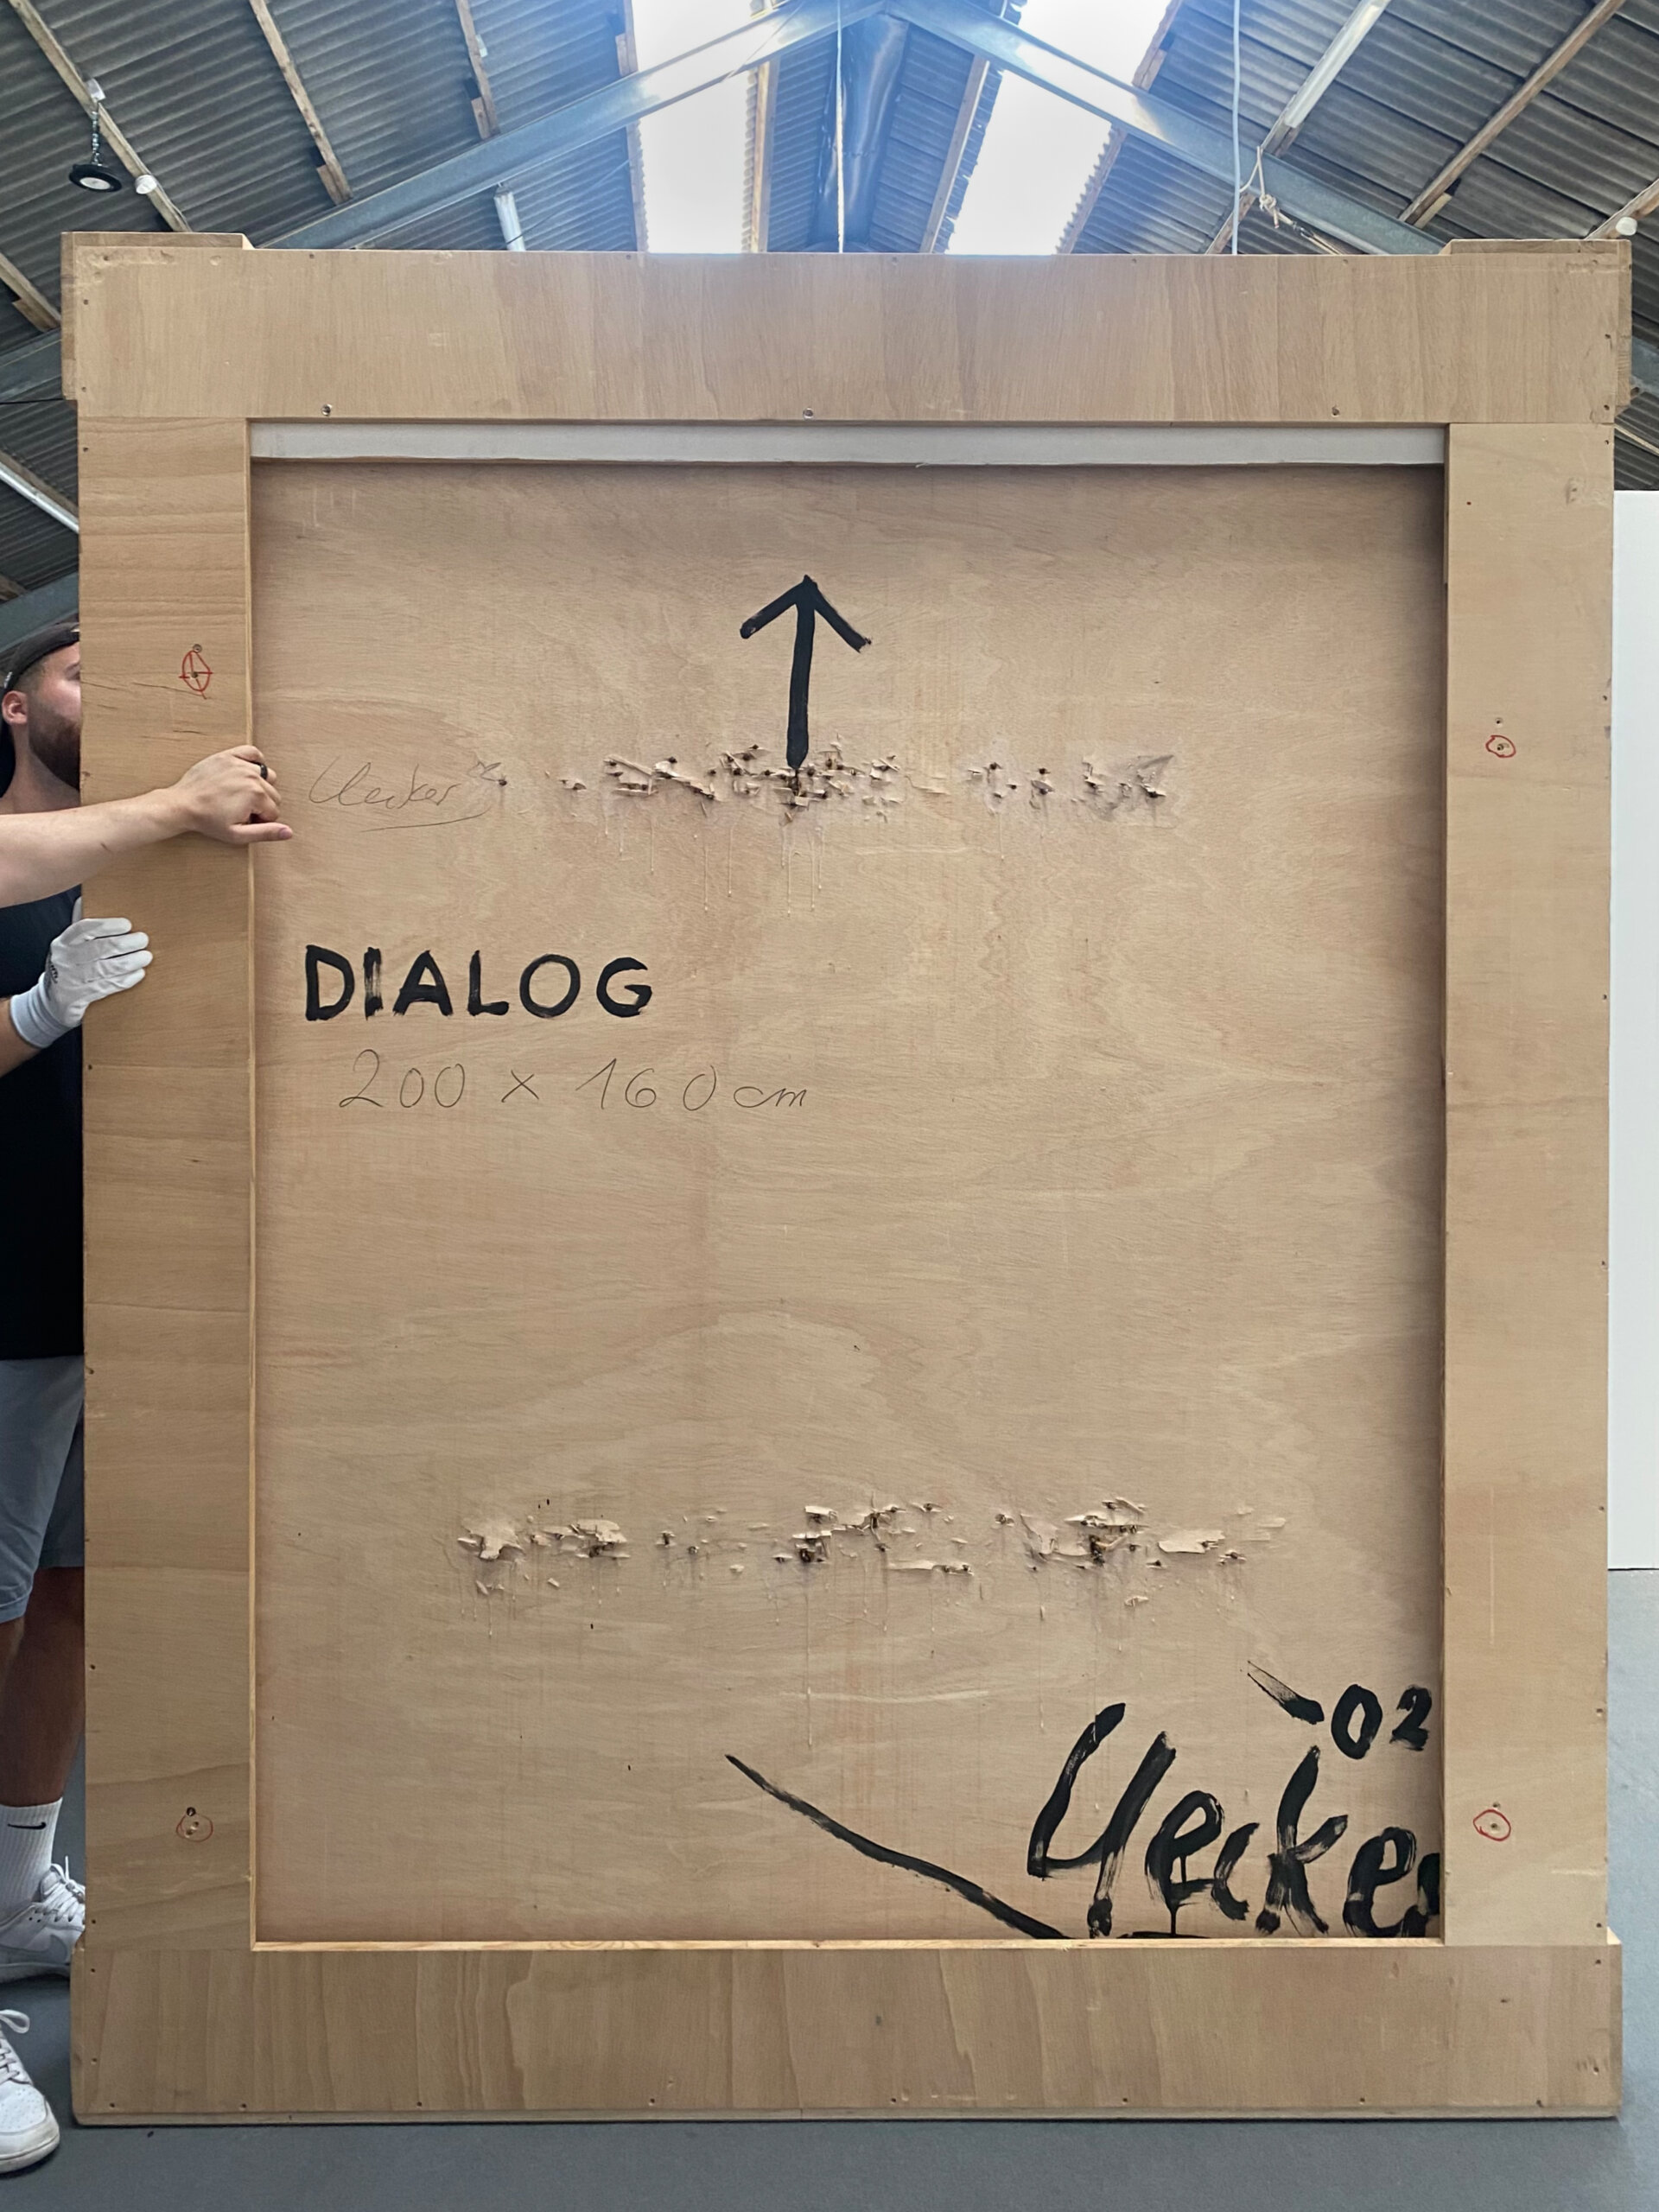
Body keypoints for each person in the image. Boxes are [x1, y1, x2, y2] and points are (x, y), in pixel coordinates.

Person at [0, 620, 289, 2171]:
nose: (104, 692)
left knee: (67, 1604)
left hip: (108, 1306)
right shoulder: (33, 854)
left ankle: (13, 1896)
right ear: (14, 703)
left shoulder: (150, 861)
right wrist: (35, 1016)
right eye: (76, 670)